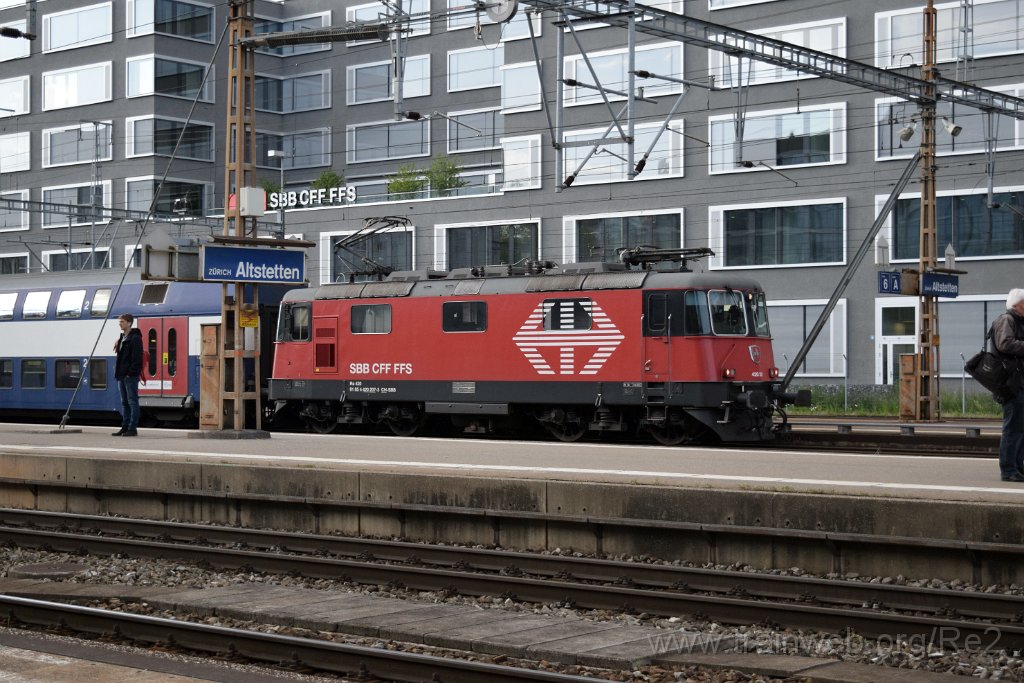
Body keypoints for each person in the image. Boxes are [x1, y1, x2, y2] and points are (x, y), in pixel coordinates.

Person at [992, 288, 1024, 482]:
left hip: (1019, 383)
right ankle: (1008, 470)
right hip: (1011, 385)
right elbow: (1005, 344)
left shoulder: (1018, 321)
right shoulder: (1006, 320)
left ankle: (1017, 467)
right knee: (1012, 428)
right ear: (1016, 305)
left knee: (1020, 428)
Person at [112, 313, 143, 437]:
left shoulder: (135, 338)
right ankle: (124, 427)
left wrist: (130, 373)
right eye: (120, 322)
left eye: (122, 322)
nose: (120, 324)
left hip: (129, 376)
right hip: (121, 375)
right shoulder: (122, 338)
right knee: (124, 402)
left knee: (132, 402)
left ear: (129, 323)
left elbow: (137, 358)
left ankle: (132, 428)